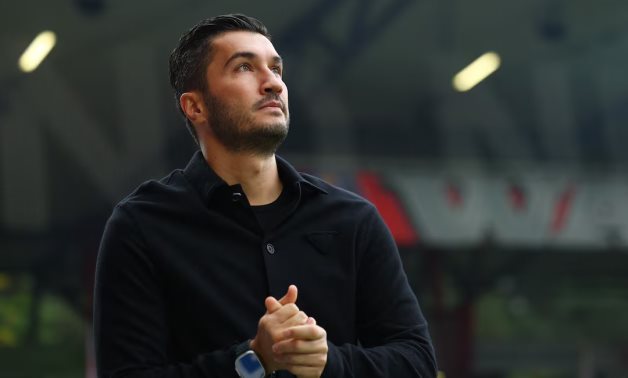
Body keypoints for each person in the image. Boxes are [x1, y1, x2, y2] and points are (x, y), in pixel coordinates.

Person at [93, 13, 437, 378]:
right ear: (195, 107)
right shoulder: (142, 226)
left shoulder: (353, 219)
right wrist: (252, 360)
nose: (272, 83)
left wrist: (328, 363)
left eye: (276, 69)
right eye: (244, 67)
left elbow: (417, 363)